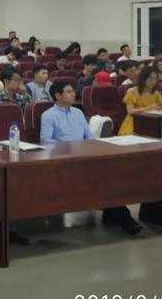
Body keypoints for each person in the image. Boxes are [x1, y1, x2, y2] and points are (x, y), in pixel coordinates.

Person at [40, 81, 143, 236]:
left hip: (85, 158)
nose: (73, 94)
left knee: (110, 174)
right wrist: (69, 149)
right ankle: (124, 218)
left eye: (73, 91)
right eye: (68, 91)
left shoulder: (78, 113)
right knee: (101, 181)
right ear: (57, 95)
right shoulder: (48, 115)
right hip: (63, 161)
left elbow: (88, 136)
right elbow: (46, 141)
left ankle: (113, 212)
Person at [119, 67, 162, 135]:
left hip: (150, 122)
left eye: (155, 79)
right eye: (150, 79)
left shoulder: (155, 93)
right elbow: (130, 111)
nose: (153, 82)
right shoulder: (132, 92)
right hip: (134, 123)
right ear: (143, 79)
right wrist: (149, 108)